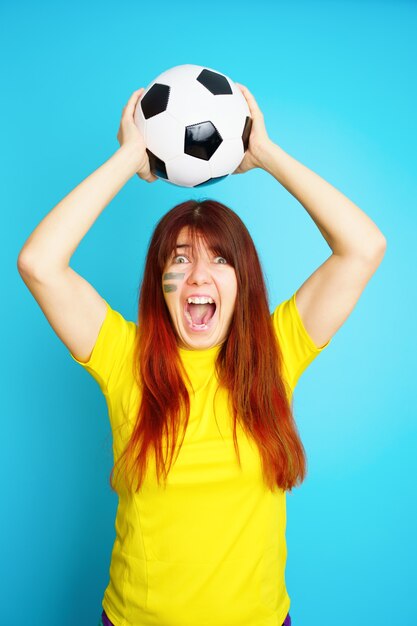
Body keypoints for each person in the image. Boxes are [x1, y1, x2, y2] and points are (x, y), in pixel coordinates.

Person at [17, 84, 386, 626]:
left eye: (219, 260)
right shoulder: (125, 356)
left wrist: (266, 156)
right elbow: (39, 263)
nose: (197, 275)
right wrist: (127, 159)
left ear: (244, 281)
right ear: (159, 283)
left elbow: (364, 247)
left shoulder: (276, 351)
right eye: (180, 258)